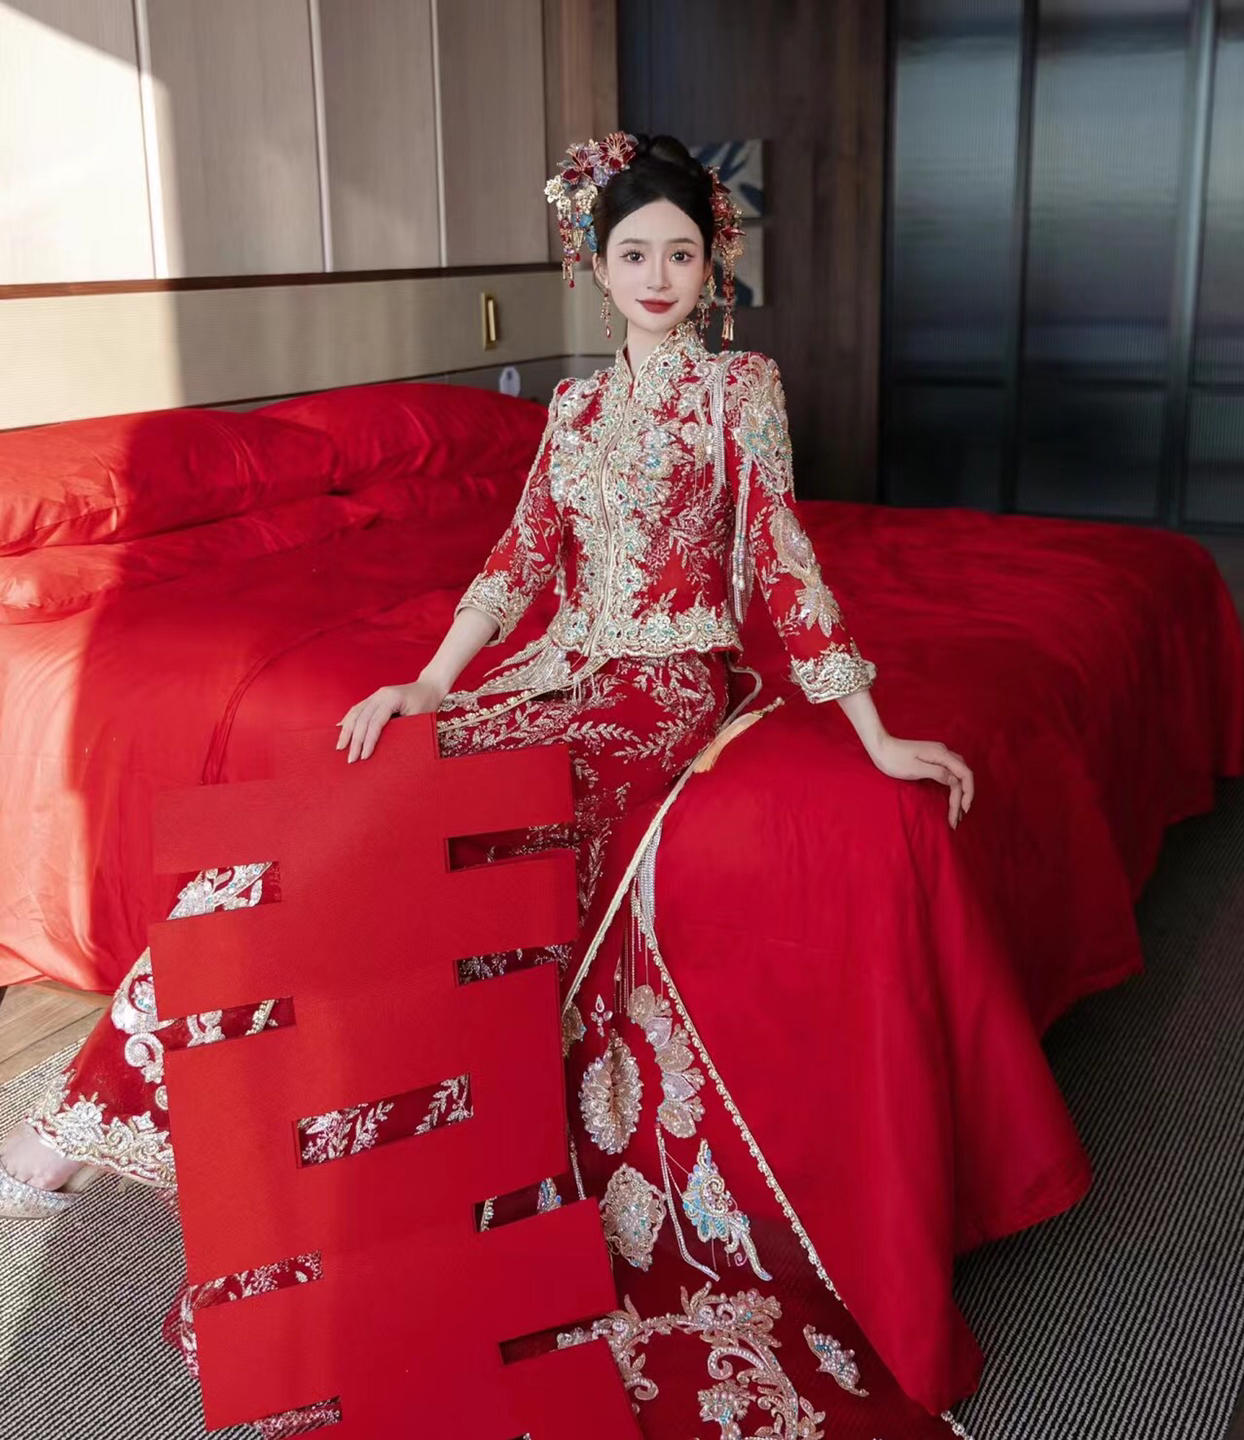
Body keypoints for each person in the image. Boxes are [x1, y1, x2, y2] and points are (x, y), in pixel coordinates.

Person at [0, 136, 975, 1437]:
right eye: (633, 254)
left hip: (664, 695)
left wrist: (872, 731)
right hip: (548, 671)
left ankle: (356, 1167)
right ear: (597, 268)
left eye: (682, 253)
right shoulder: (570, 411)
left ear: (713, 266)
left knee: (479, 858)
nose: (658, 276)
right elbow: (517, 562)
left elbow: (785, 559)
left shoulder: (740, 392)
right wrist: (429, 680)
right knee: (321, 837)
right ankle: (87, 1123)